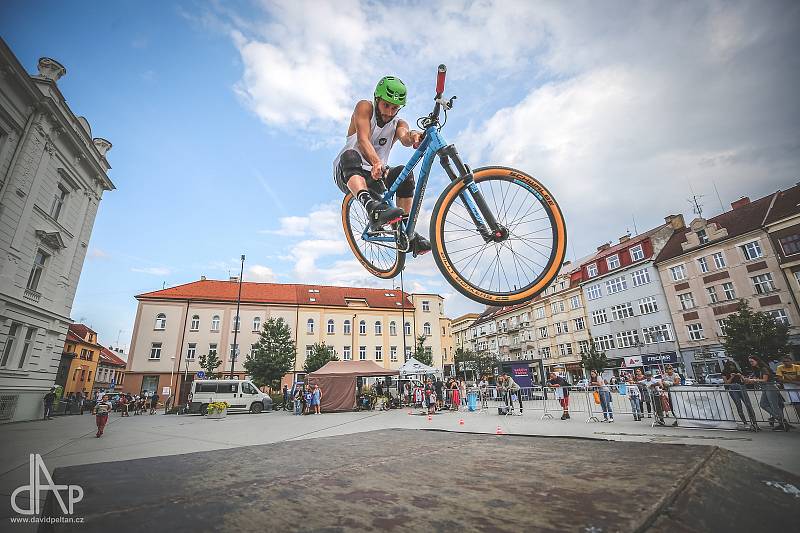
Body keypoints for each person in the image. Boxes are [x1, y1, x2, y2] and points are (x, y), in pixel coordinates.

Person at [332, 75, 431, 256]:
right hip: (346, 172)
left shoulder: (398, 122)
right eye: (386, 105)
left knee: (404, 173)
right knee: (351, 155)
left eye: (394, 108)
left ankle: (405, 230)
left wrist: (414, 135)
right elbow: (362, 139)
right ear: (377, 99)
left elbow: (405, 137)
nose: (389, 112)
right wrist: (376, 162)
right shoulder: (365, 107)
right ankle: (372, 209)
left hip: (375, 176)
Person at [745, 355, 789, 431]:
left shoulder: (763, 368)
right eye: (750, 362)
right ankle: (779, 419)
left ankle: (782, 422)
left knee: (773, 405)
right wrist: (752, 379)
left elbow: (765, 380)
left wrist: (754, 380)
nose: (751, 363)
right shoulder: (758, 369)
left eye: (752, 361)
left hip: (770, 387)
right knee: (764, 404)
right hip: (765, 388)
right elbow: (761, 379)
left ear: (757, 361)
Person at [722, 360, 759, 431]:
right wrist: (731, 377)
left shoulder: (737, 371)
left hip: (741, 387)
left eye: (733, 365)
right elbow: (726, 383)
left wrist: (741, 376)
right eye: (730, 365)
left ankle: (754, 423)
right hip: (732, 388)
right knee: (738, 406)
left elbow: (744, 381)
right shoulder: (724, 372)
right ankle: (745, 423)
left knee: (748, 405)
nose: (732, 367)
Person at [776, 355, 800, 420]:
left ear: (791, 361)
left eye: (788, 361)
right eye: (784, 361)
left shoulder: (797, 367)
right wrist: (793, 382)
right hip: (790, 387)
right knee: (796, 405)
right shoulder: (780, 367)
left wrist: (786, 380)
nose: (786, 363)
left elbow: (798, 378)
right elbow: (779, 379)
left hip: (797, 386)